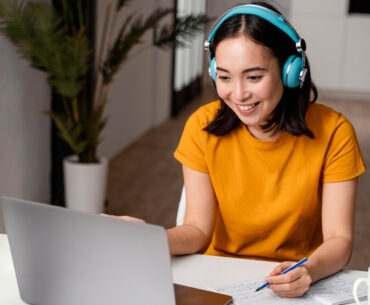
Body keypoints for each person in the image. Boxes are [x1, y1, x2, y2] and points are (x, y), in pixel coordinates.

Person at [113, 1, 365, 298]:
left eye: (254, 77)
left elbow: (339, 240)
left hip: (296, 279)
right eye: (224, 77)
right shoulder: (201, 127)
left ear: (291, 70)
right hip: (218, 278)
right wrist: (148, 239)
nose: (239, 93)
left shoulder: (336, 133)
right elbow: (197, 230)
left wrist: (308, 270)